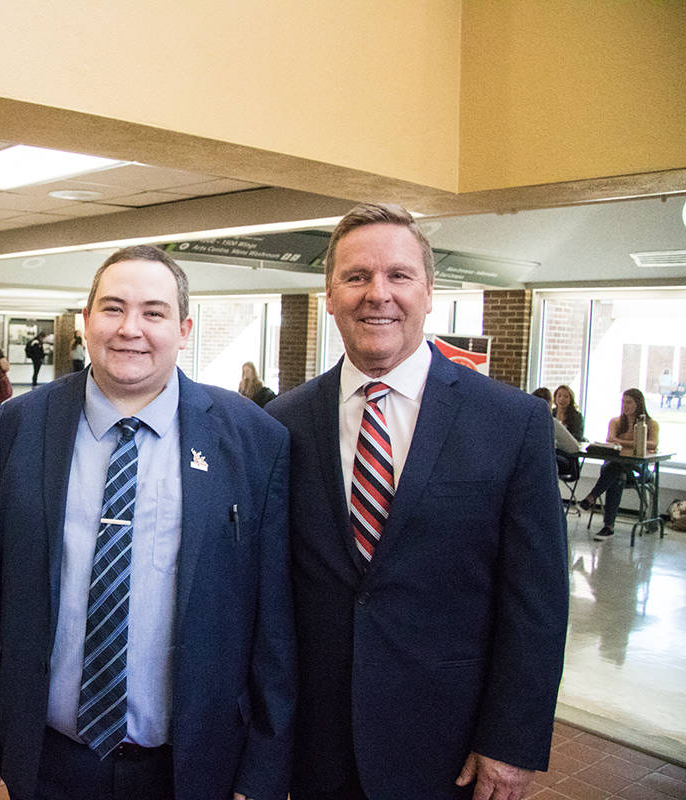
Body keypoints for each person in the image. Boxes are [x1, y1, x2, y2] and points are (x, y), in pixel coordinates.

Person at [0, 245, 295, 800]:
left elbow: (273, 620)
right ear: (86, 322)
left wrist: (263, 769)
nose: (130, 329)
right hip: (50, 758)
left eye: (153, 313)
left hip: (192, 764)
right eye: (112, 309)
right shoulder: (23, 424)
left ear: (183, 329)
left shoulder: (253, 439)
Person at [264, 203, 568, 800]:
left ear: (429, 292)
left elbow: (537, 599)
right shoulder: (282, 425)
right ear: (329, 296)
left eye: (399, 276)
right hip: (317, 746)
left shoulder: (511, 423)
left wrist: (511, 741)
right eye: (356, 277)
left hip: (448, 747)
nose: (378, 294)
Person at [579, 388, 660, 541]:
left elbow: (652, 444)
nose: (625, 406)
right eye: (623, 402)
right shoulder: (616, 422)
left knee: (615, 469)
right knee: (617, 472)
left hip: (639, 470)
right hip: (617, 468)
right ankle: (608, 527)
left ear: (639, 403)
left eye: (629, 402)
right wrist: (634, 443)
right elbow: (610, 440)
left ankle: (592, 498)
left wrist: (624, 442)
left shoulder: (650, 424)